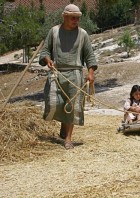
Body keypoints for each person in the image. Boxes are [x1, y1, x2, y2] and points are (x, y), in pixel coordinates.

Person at [39, 4, 98, 149]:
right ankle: (63, 126)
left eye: (78, 18)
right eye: (73, 18)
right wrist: (47, 60)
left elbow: (89, 55)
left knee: (72, 106)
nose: (76, 20)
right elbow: (45, 51)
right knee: (55, 103)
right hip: (56, 73)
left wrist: (90, 73)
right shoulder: (53, 32)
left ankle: (68, 139)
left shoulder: (83, 34)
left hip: (75, 74)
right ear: (64, 16)